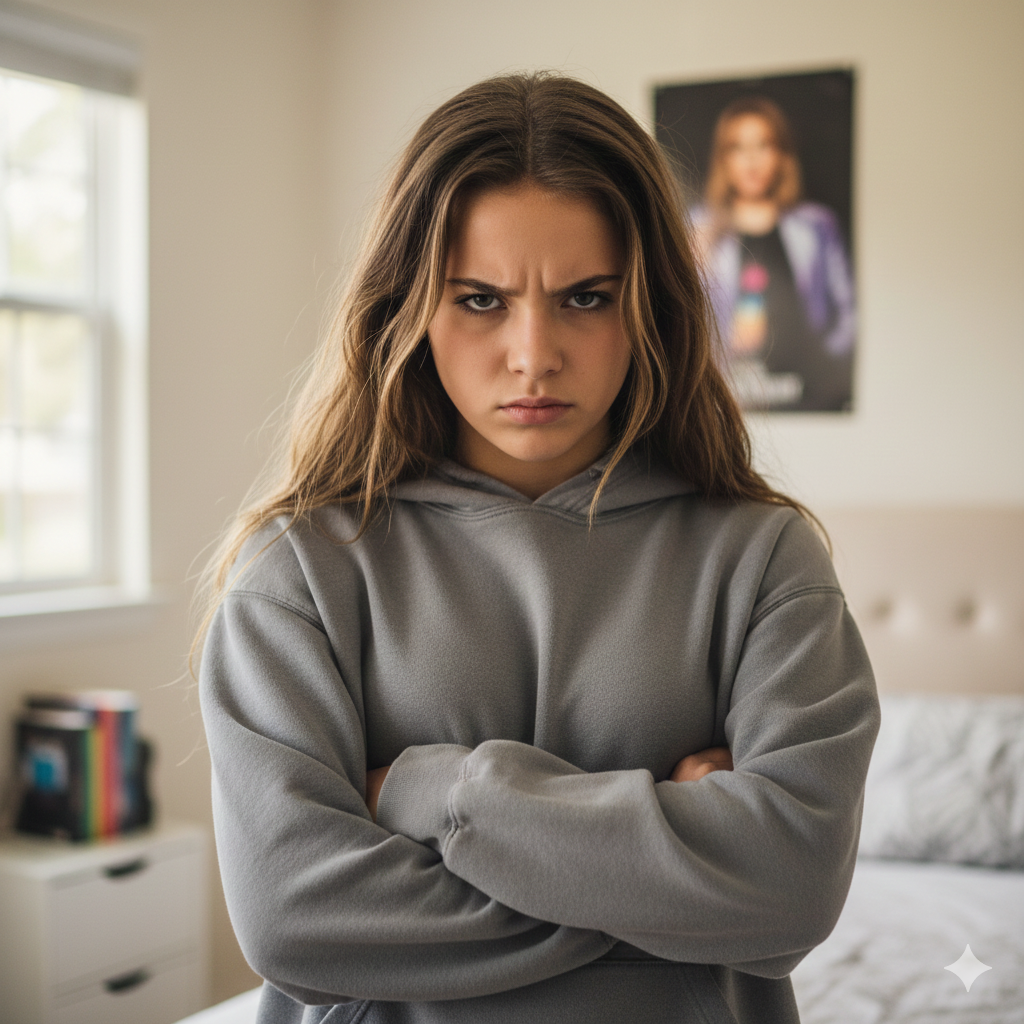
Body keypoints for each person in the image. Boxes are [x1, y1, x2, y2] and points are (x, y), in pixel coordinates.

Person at [196, 72, 879, 1024]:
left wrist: (432, 793)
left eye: (586, 297)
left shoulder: (764, 562)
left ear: (649, 306)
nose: (532, 354)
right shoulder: (302, 571)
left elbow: (792, 890)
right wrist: (674, 879)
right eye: (479, 299)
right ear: (411, 306)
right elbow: (296, 922)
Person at [691, 95, 856, 412]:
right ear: (723, 159)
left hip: (806, 390)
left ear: (782, 154)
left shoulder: (816, 226)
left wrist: (825, 362)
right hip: (728, 394)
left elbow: (846, 312)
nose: (751, 161)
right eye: (738, 148)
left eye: (763, 145)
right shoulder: (699, 227)